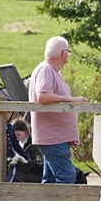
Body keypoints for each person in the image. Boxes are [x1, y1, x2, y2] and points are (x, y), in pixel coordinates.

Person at [28, 36, 88, 184]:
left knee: (50, 179)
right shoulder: (46, 70)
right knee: (66, 176)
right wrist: (73, 100)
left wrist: (70, 134)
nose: (67, 57)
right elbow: (42, 96)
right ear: (62, 53)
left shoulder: (50, 70)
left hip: (57, 136)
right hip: (53, 137)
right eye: (67, 52)